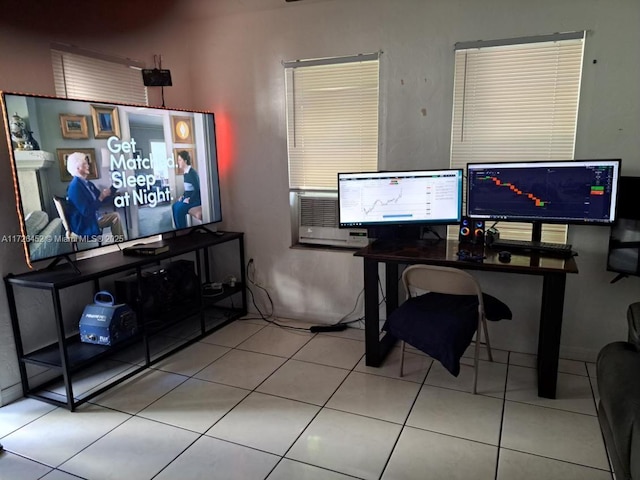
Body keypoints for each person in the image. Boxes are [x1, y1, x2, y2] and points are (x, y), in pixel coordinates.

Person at [65, 152, 124, 240]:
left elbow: (102, 200)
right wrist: (101, 197)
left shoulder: (88, 184)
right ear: (77, 168)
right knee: (115, 216)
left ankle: (120, 243)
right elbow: (86, 212)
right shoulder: (75, 187)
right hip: (83, 224)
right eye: (85, 163)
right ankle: (121, 244)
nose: (88, 165)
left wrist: (115, 186)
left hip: (93, 217)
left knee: (115, 215)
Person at [172, 150, 201, 229]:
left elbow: (197, 189)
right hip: (188, 198)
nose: (178, 162)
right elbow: (188, 189)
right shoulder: (185, 172)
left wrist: (190, 200)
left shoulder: (192, 173)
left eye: (180, 160)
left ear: (185, 161)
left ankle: (182, 231)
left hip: (195, 199)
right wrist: (183, 196)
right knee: (174, 206)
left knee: (179, 209)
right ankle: (178, 230)